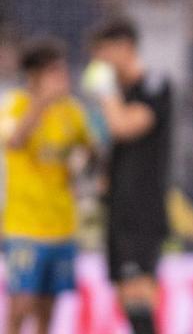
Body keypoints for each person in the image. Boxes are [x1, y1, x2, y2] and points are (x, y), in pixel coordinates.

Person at [82, 17, 173, 334]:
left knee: (139, 299)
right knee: (125, 299)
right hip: (117, 209)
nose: (100, 63)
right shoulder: (117, 95)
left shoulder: (154, 85)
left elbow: (124, 127)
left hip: (142, 210)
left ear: (125, 47)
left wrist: (106, 94)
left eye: (104, 54)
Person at [0, 38, 92, 334]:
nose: (63, 77)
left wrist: (82, 168)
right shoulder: (15, 106)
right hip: (25, 227)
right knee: (21, 306)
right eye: (55, 71)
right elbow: (15, 141)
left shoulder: (72, 112)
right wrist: (42, 102)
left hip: (62, 227)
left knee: (47, 311)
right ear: (35, 76)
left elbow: (90, 150)